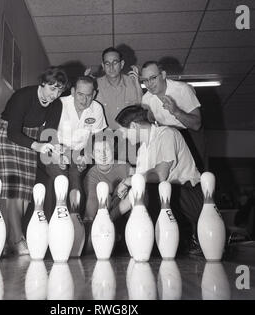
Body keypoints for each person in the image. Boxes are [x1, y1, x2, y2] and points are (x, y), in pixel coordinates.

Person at [0, 66, 68, 256]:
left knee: (25, 192)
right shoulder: (23, 96)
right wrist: (37, 146)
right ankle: (18, 239)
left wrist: (56, 153)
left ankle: (11, 240)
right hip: (9, 135)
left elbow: (49, 134)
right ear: (42, 83)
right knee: (13, 188)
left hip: (33, 138)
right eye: (52, 88)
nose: (55, 94)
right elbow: (13, 132)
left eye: (59, 90)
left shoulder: (56, 104)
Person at [114, 105, 204, 255]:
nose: (123, 136)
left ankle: (192, 235)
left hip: (190, 197)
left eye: (123, 131)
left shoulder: (167, 134)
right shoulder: (142, 149)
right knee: (129, 198)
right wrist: (109, 216)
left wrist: (129, 180)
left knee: (150, 189)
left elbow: (160, 175)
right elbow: (137, 188)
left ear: (134, 126)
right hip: (169, 198)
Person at [139, 60, 206, 172]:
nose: (149, 84)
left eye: (153, 78)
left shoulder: (183, 89)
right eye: (145, 80)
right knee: (170, 179)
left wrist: (176, 112)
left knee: (196, 177)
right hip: (166, 137)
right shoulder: (146, 99)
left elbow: (197, 125)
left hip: (189, 136)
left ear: (163, 75)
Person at [56, 75, 107, 211]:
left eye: (89, 95)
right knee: (60, 177)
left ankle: (75, 218)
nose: (84, 100)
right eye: (80, 94)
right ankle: (57, 217)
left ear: (94, 94)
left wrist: (87, 156)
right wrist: (57, 154)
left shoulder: (97, 109)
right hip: (56, 149)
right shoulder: (59, 104)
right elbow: (47, 132)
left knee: (76, 177)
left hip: (80, 152)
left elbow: (97, 136)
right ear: (72, 92)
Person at [83, 133, 133, 253]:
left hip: (124, 214)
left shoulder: (125, 166)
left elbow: (138, 183)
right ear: (93, 154)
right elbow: (91, 204)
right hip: (101, 218)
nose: (103, 155)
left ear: (113, 149)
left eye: (107, 150)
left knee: (137, 191)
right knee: (106, 199)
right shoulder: (92, 175)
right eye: (99, 151)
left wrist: (127, 183)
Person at [86, 47, 142, 130]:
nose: (111, 67)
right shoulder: (95, 85)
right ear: (103, 66)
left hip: (129, 136)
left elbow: (141, 110)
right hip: (104, 137)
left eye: (115, 63)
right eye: (107, 63)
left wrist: (138, 85)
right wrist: (85, 86)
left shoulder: (133, 83)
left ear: (122, 64)